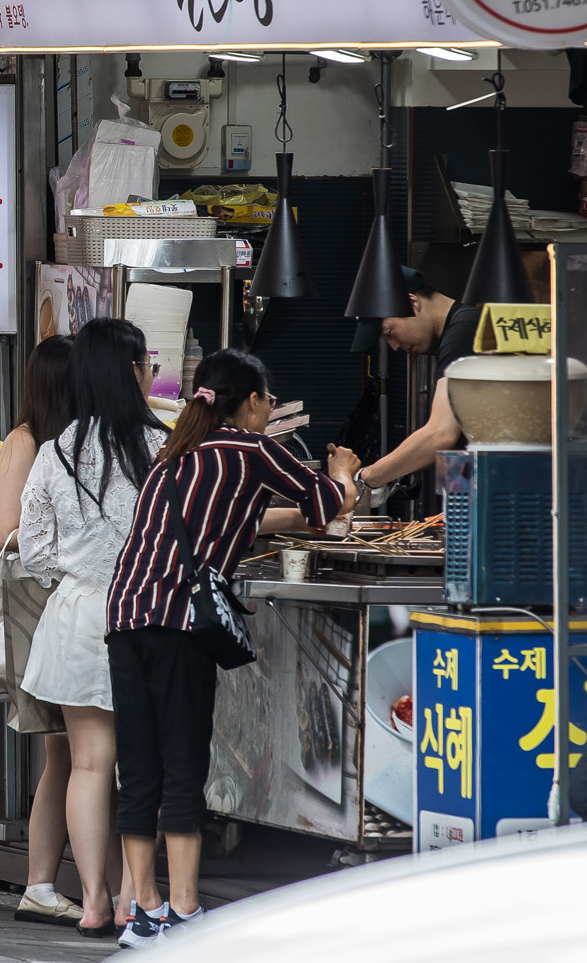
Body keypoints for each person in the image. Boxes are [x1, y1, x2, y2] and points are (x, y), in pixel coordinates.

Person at [107, 349, 358, 948]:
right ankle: (187, 909)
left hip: (125, 616)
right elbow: (327, 507)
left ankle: (144, 913)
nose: (270, 411)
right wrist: (345, 470)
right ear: (251, 402)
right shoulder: (253, 449)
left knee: (138, 768)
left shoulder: (175, 454)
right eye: (269, 401)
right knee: (184, 763)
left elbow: (232, 521)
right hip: (178, 623)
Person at [18, 320, 160, 938]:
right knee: (143, 765)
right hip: (148, 613)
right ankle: (135, 896)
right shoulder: (164, 445)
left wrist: (79, 574)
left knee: (90, 765)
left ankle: (95, 901)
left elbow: (32, 551)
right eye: (146, 363)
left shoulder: (57, 450)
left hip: (76, 617)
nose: (152, 372)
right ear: (130, 372)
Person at [0, 335, 76, 926]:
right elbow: (7, 530)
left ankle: (50, 882)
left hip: (68, 600)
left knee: (73, 753)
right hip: (39, 600)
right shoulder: (26, 441)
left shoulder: (79, 443)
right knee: (62, 749)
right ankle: (42, 881)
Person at [353, 267, 480, 493]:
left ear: (412, 303)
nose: (395, 346)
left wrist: (366, 478)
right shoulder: (460, 329)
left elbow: (440, 433)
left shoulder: (464, 332)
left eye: (389, 332)